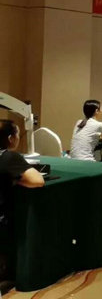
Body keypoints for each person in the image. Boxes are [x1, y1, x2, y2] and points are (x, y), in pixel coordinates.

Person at [1, 120, 44, 283]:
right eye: (18, 134)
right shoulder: (9, 157)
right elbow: (37, 181)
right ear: (11, 138)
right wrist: (15, 178)